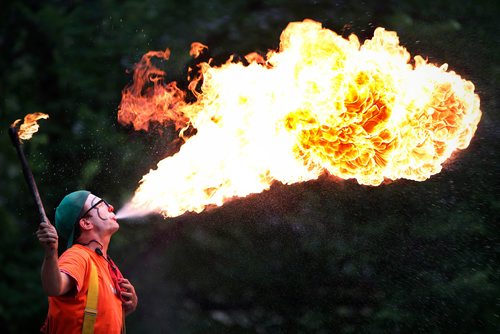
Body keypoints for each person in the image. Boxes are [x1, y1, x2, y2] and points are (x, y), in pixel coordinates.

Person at [36, 190, 138, 333]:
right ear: (86, 223)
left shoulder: (110, 267)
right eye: (101, 204)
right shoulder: (78, 256)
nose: (111, 207)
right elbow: (54, 287)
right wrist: (51, 253)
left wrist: (125, 309)